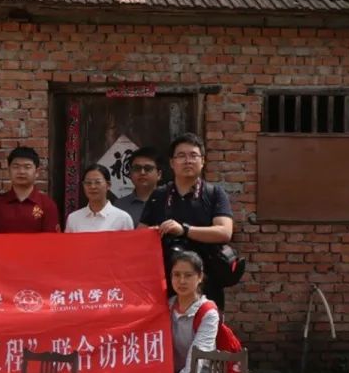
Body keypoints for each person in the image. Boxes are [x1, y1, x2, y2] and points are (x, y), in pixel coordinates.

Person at [139, 132, 234, 310]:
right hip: (167, 283)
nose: (188, 161)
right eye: (181, 156)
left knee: (206, 325)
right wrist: (156, 232)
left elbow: (224, 232)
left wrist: (184, 230)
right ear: (172, 163)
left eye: (193, 155)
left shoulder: (214, 194)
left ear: (203, 161)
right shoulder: (159, 195)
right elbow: (140, 235)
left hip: (206, 281)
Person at [168, 251, 219, 373]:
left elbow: (196, 357)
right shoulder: (166, 307)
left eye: (188, 275)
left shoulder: (208, 312)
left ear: (200, 277)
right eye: (177, 275)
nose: (181, 281)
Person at [0, 146, 60, 233]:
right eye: (16, 167)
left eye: (27, 167)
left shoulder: (47, 205)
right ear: (9, 171)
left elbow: (52, 239)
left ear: (37, 172)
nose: (21, 171)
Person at [65, 164, 135, 233]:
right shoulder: (73, 218)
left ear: (108, 185)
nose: (92, 187)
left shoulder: (123, 218)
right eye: (88, 183)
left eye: (97, 182)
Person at [116, 146, 162, 228]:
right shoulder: (119, 206)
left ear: (159, 174)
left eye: (148, 168)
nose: (142, 172)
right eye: (137, 168)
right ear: (130, 174)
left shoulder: (171, 202)